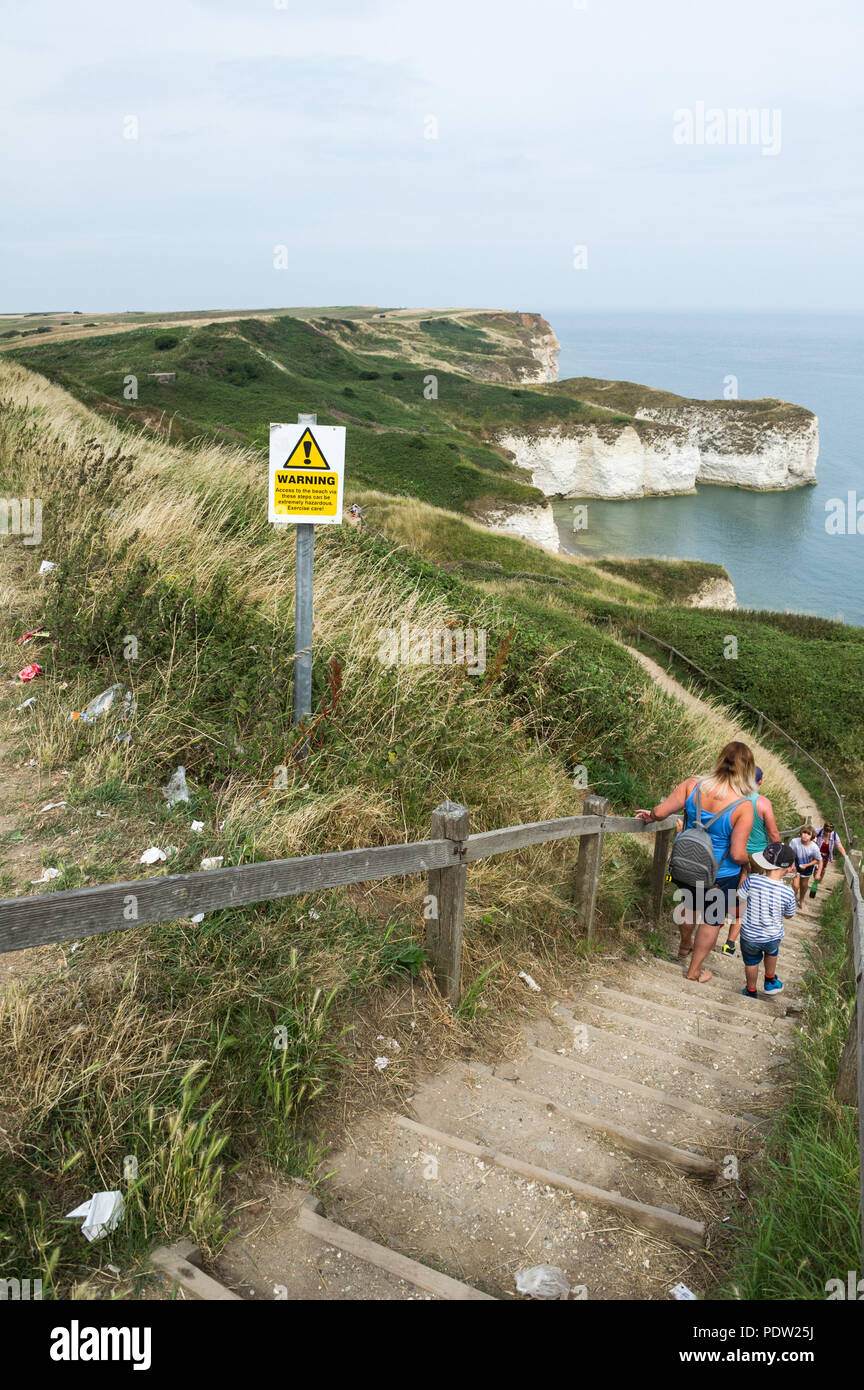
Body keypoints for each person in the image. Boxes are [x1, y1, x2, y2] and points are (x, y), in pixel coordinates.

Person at [636, 741, 755, 985]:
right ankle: (694, 971)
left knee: (689, 905)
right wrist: (748, 864)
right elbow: (737, 853)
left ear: (720, 760)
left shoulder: (692, 785)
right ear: (747, 770)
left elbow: (659, 813)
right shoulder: (743, 806)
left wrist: (650, 816)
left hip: (686, 864)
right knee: (712, 919)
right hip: (720, 875)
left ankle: (683, 945)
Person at [719, 764, 779, 956]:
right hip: (756, 859)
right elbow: (773, 834)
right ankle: (729, 943)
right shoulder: (763, 804)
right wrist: (780, 856)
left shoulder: (732, 798)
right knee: (744, 901)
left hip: (731, 853)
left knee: (722, 895)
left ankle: (709, 932)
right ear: (760, 782)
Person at [737, 841, 797, 998]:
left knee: (751, 962)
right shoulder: (788, 892)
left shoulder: (753, 880)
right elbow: (789, 915)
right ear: (789, 868)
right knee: (772, 953)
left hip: (749, 935)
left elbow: (740, 897)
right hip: (772, 935)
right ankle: (770, 981)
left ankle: (751, 991)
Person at [789, 824, 821, 907]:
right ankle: (791, 902)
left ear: (812, 836)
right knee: (795, 886)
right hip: (796, 864)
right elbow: (790, 854)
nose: (805, 835)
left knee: (804, 885)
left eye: (808, 834)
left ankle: (801, 900)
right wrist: (793, 866)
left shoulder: (814, 847)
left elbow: (819, 860)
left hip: (808, 867)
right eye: (804, 832)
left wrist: (818, 873)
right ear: (800, 833)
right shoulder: (794, 842)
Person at [815, 821, 846, 886]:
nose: (828, 833)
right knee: (816, 870)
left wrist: (845, 856)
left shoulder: (834, 835)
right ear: (823, 829)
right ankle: (816, 882)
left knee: (823, 869)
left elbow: (839, 846)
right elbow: (810, 836)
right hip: (817, 854)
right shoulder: (818, 831)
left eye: (830, 831)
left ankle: (818, 882)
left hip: (826, 855)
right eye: (826, 831)